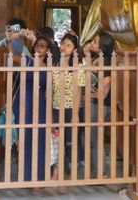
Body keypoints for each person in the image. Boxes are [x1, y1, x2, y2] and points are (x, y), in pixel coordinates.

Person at [12, 36, 50, 183]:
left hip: (40, 104)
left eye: (43, 46)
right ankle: (26, 177)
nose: (39, 48)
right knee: (25, 140)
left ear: (47, 50)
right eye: (37, 45)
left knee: (39, 140)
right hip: (23, 102)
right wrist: (12, 40)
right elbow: (12, 56)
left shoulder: (49, 66)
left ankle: (38, 179)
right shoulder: (27, 61)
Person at [80, 31, 115, 176]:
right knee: (94, 137)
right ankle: (98, 169)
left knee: (96, 139)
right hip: (97, 104)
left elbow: (107, 80)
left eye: (95, 42)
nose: (91, 44)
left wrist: (101, 94)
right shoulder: (100, 59)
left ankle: (102, 173)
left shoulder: (104, 61)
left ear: (102, 46)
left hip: (99, 105)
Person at [51, 33, 83, 178]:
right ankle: (57, 171)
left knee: (71, 142)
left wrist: (75, 115)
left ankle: (72, 172)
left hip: (71, 110)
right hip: (56, 108)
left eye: (68, 45)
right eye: (63, 44)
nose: (64, 48)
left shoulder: (78, 67)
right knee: (58, 141)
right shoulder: (55, 65)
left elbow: (78, 91)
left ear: (74, 50)